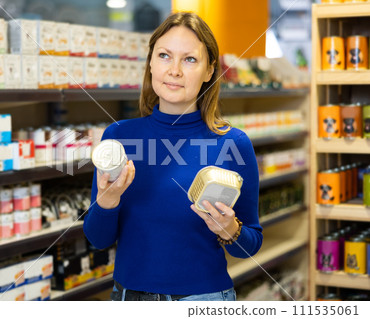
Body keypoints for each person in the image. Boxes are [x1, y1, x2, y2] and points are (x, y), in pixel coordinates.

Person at [83, 11, 263, 301]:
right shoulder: (118, 139)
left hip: (204, 300)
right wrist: (107, 201)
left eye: (190, 59)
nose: (175, 70)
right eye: (165, 56)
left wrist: (230, 229)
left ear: (209, 71)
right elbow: (98, 239)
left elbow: (250, 246)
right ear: (151, 63)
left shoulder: (232, 143)